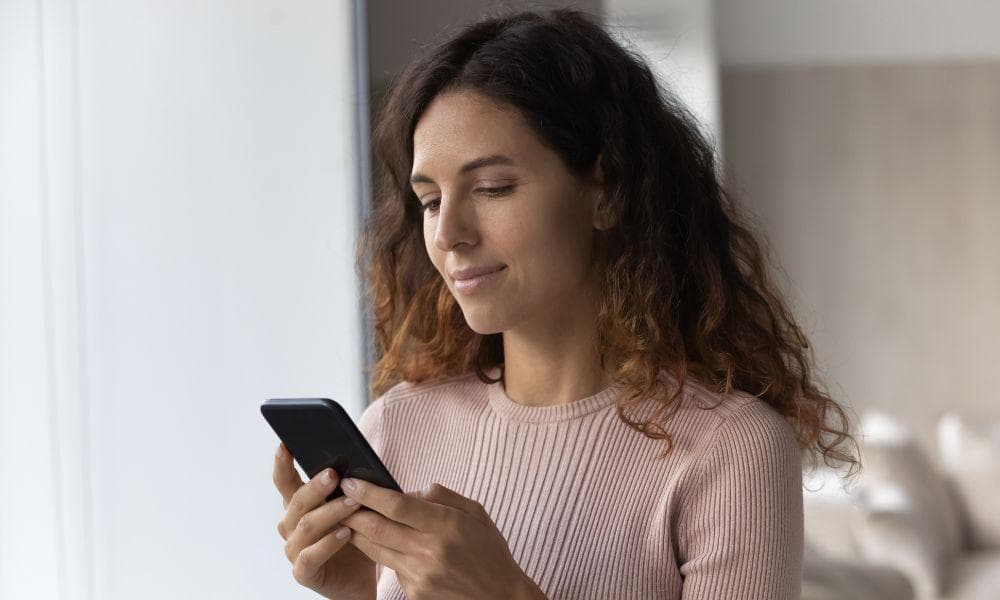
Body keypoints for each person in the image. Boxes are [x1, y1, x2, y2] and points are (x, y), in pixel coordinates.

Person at [272, 8, 860, 600]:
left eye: (492, 188)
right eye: (428, 201)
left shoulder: (730, 451)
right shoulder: (399, 426)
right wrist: (359, 593)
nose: (448, 232)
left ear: (608, 194)